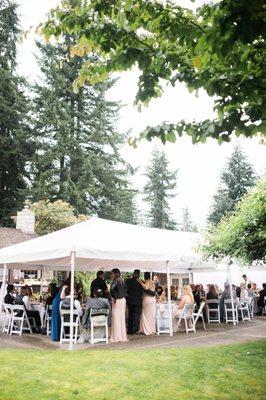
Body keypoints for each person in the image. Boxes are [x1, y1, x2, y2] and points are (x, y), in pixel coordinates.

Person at [110, 268, 128, 342]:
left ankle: (117, 336)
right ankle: (122, 335)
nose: (111, 275)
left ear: (116, 273)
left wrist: (114, 297)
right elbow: (126, 289)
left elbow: (111, 288)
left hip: (118, 300)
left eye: (112, 273)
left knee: (116, 318)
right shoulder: (122, 279)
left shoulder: (116, 280)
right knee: (121, 318)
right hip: (123, 300)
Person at [51, 276, 70, 341]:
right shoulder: (65, 286)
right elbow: (62, 297)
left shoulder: (64, 286)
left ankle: (57, 336)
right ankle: (56, 336)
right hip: (58, 302)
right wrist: (70, 297)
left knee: (57, 319)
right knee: (57, 319)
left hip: (56, 302)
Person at [125, 269, 143, 334]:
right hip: (137, 300)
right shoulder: (140, 282)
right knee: (136, 315)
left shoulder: (128, 281)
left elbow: (125, 290)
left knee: (130, 315)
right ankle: (134, 330)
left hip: (129, 300)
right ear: (138, 274)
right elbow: (142, 291)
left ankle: (129, 329)